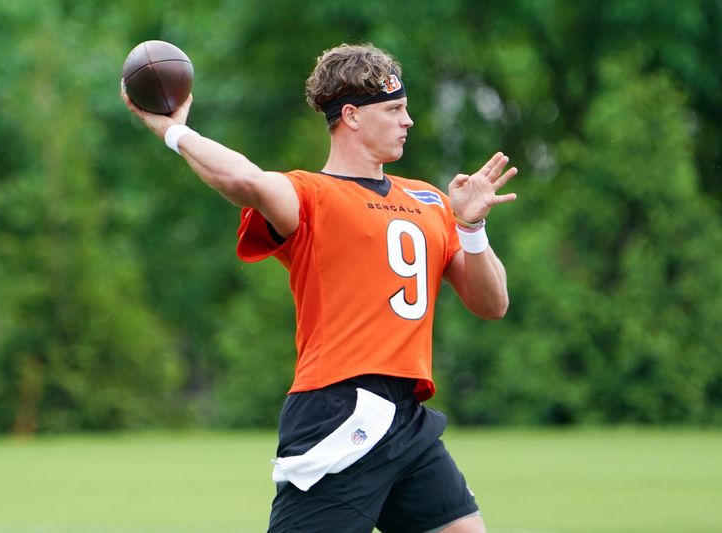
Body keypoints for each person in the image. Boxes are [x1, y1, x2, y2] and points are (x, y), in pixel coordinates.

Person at [122, 42, 517, 533]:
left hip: (408, 416)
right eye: (394, 109)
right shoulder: (310, 194)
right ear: (351, 116)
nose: (408, 121)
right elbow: (243, 180)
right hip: (341, 410)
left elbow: (491, 303)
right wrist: (172, 129)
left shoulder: (430, 200)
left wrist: (471, 228)